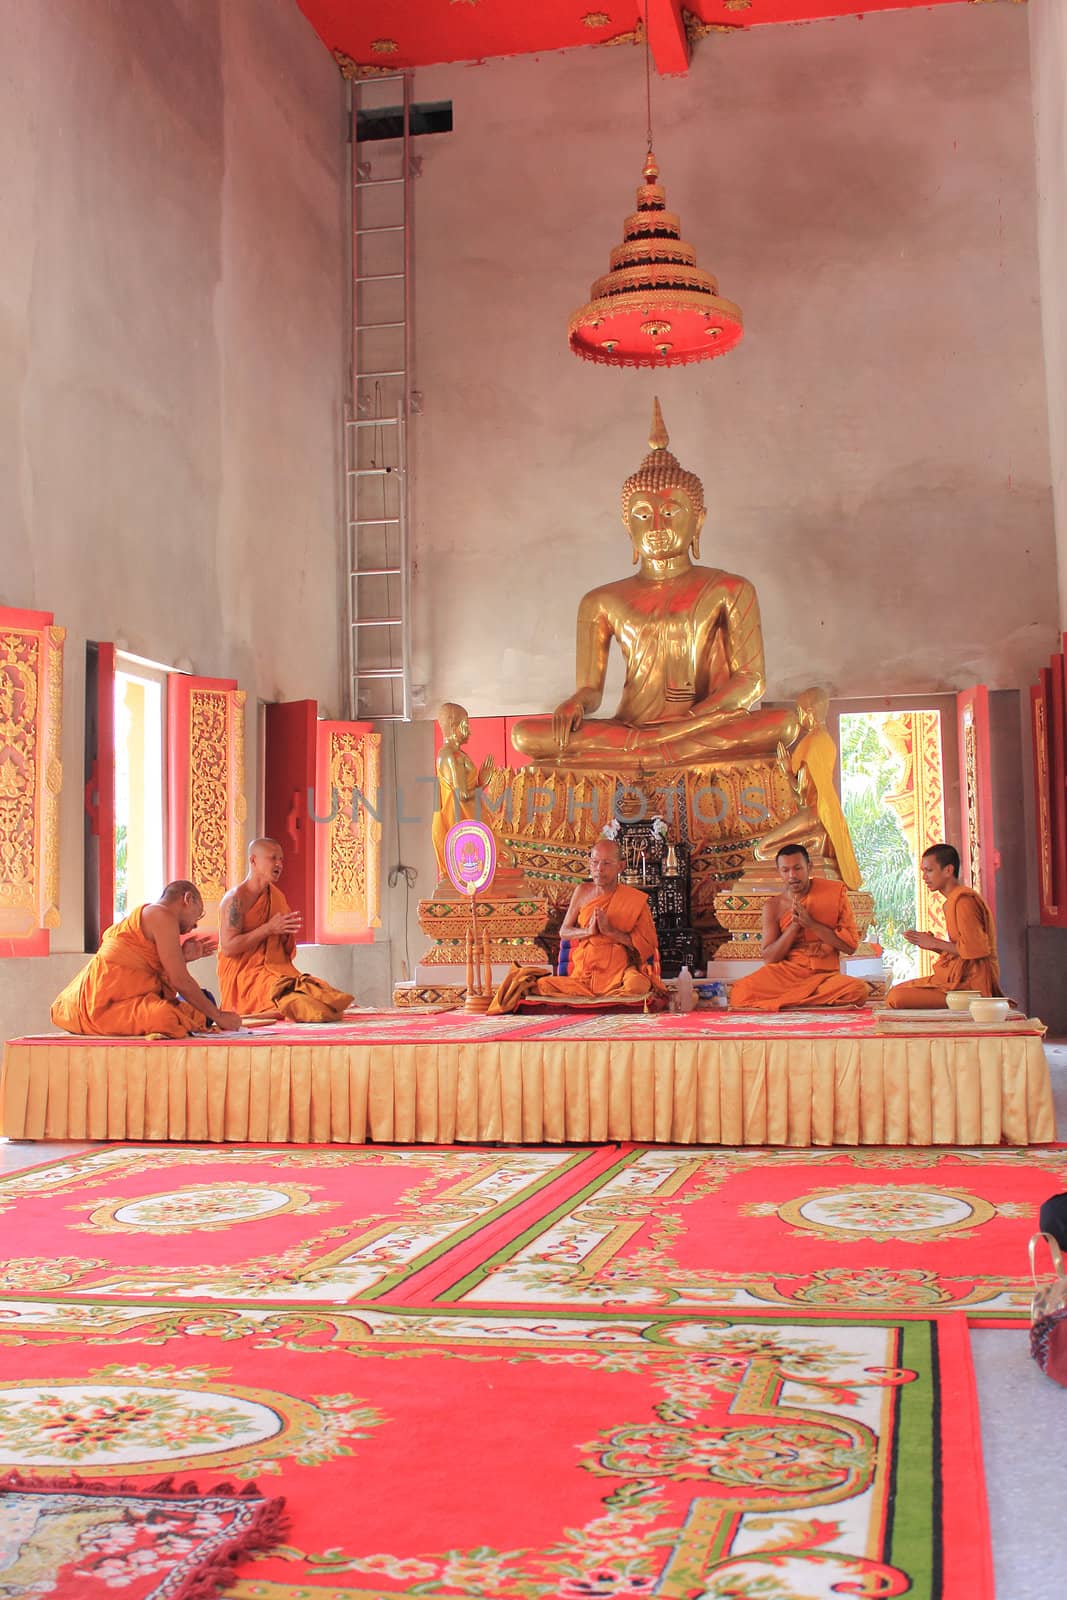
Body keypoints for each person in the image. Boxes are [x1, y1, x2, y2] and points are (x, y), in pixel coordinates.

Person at [509, 400, 797, 770]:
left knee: (783, 725)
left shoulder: (730, 589)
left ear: (699, 521)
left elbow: (751, 680)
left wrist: (690, 722)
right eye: (643, 515)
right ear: (628, 526)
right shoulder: (601, 601)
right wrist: (575, 704)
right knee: (524, 735)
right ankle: (651, 749)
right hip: (632, 727)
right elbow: (591, 691)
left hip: (697, 726)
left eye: (671, 512)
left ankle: (646, 751)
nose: (657, 527)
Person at [490, 837, 662, 1010]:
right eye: (595, 862)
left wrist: (611, 932)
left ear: (621, 866)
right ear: (589, 863)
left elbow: (647, 945)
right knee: (541, 986)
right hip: (584, 974)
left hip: (619, 972)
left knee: (637, 986)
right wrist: (588, 931)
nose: (599, 869)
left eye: (607, 863)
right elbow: (564, 931)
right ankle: (604, 1000)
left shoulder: (634, 900)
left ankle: (599, 999)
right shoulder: (582, 892)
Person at [51, 881, 241, 1037]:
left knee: (194, 1013)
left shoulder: (157, 919)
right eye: (197, 914)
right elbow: (180, 981)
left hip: (125, 1001)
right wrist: (219, 1016)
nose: (195, 924)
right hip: (101, 1004)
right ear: (187, 899)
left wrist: (182, 957)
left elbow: (146, 970)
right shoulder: (162, 915)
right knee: (166, 1017)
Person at [217, 838, 353, 1022]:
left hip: (276, 972)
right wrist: (268, 929)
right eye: (273, 858)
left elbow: (282, 949)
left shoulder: (276, 896)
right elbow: (228, 947)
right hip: (247, 978)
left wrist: (284, 934)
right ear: (253, 860)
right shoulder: (235, 899)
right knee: (304, 1004)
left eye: (281, 859)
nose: (279, 864)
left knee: (325, 998)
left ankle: (279, 1009)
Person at [729, 844, 868, 1011]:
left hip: (824, 977)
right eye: (785, 870)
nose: (792, 875)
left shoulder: (833, 893)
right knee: (740, 992)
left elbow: (850, 946)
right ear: (779, 872)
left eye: (797, 868)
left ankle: (790, 1002)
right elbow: (770, 958)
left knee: (858, 990)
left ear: (809, 867)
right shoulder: (774, 906)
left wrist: (811, 924)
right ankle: (806, 1001)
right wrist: (794, 927)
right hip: (787, 975)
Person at [752, 687, 862, 889]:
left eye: (800, 710)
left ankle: (815, 846)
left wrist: (786, 771)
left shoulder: (815, 742)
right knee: (766, 852)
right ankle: (816, 843)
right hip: (814, 812)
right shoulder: (819, 740)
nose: (798, 715)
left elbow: (805, 796)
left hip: (814, 812)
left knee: (761, 851)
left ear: (809, 711)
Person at [884, 843, 1001, 1009]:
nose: (924, 877)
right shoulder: (951, 902)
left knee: (896, 997)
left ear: (948, 870)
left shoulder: (964, 901)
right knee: (896, 991)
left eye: (929, 871)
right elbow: (961, 950)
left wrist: (935, 943)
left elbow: (976, 950)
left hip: (971, 987)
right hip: (956, 978)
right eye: (923, 871)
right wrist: (932, 945)